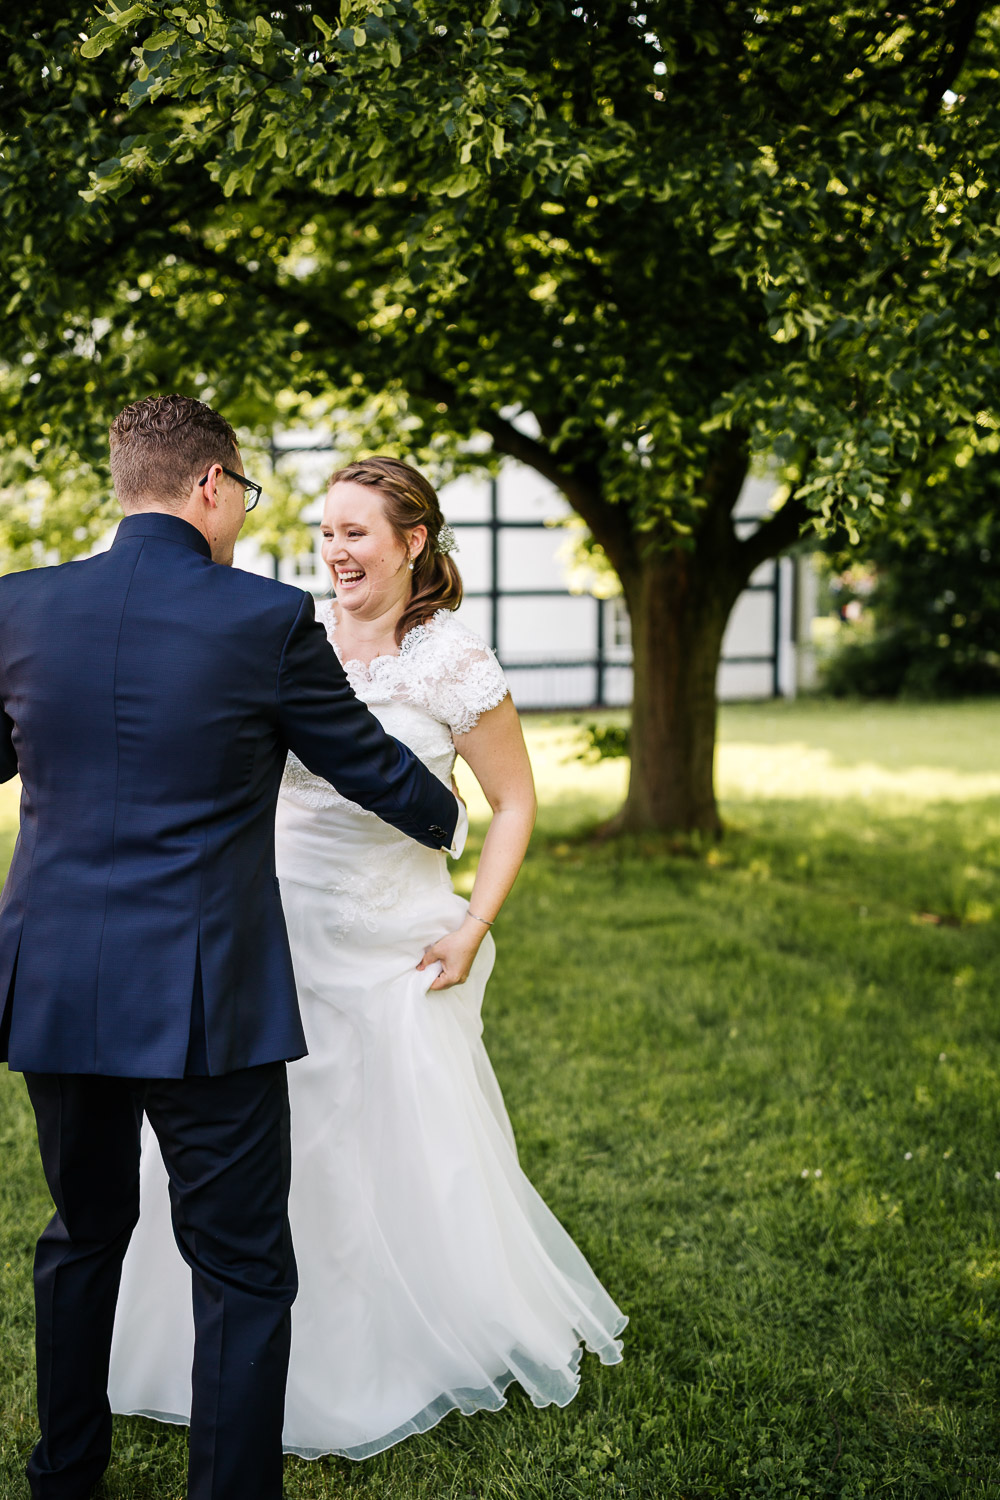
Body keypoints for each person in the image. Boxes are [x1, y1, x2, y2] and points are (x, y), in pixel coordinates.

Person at [109, 456, 626, 1460]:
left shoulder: (451, 663)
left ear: (411, 542)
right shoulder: (280, 631)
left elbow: (515, 803)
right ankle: (221, 1349)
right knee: (245, 1151)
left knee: (393, 1152)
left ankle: (396, 1344)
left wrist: (472, 923)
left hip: (397, 944)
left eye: (356, 532)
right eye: (326, 533)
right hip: (268, 927)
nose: (335, 551)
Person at [0, 402, 464, 1500]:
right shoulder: (260, 619)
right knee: (243, 1265)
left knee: (81, 1232)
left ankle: (64, 1475)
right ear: (211, 485)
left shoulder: (19, 607)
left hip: (56, 984)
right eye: (246, 495)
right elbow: (359, 759)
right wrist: (445, 816)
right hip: (206, 995)